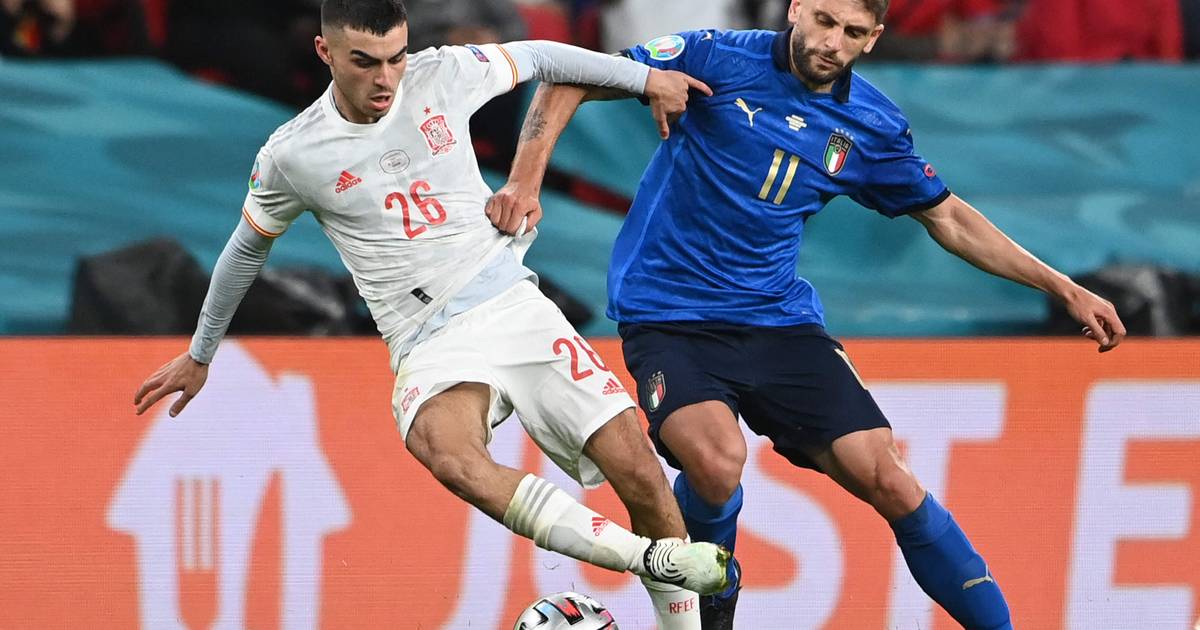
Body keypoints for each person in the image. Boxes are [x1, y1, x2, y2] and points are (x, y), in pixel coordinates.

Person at [487, 0, 1127, 627]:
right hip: (669, 315)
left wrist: (1064, 288)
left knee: (891, 479)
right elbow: (569, 74)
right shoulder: (714, 57)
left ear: (873, 38)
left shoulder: (871, 124)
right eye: (823, 20)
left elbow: (950, 218)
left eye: (852, 31)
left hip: (779, 321)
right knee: (716, 463)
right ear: (796, 10)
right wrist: (523, 181)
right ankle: (714, 596)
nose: (832, 42)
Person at [131, 1, 731, 627]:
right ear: (325, 52)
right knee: (444, 450)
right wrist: (201, 353)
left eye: (396, 58)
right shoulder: (293, 154)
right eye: (365, 62)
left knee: (638, 467)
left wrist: (645, 78)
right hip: (427, 338)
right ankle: (648, 557)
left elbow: (543, 56)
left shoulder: (442, 72)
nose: (386, 78)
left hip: (509, 301)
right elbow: (243, 251)